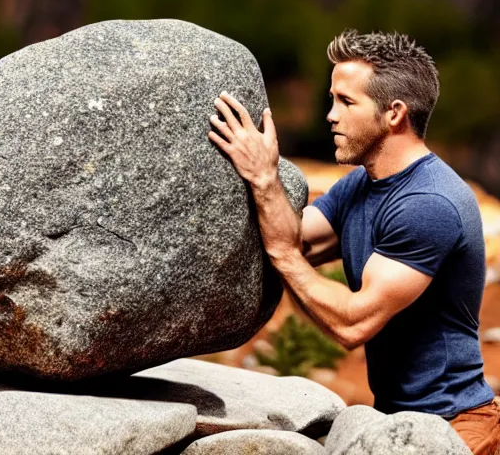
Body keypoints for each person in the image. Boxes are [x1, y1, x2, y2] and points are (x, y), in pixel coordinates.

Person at [208, 29, 499, 454]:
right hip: (396, 418)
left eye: (346, 101)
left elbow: (353, 322)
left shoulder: (429, 203)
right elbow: (297, 239)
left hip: (455, 426)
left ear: (394, 113)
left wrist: (286, 254)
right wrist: (263, 177)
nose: (330, 114)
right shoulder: (362, 184)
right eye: (332, 99)